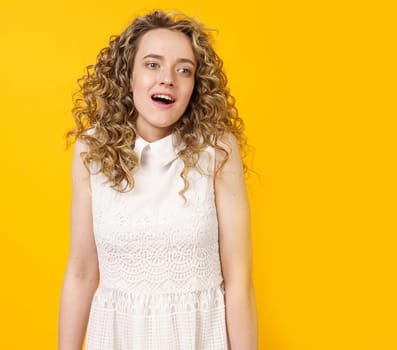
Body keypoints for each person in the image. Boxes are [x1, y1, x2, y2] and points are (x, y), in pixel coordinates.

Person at [58, 10, 258, 350]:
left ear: (195, 87)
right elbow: (81, 273)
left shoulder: (217, 150)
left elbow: (238, 281)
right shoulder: (91, 149)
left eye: (184, 70)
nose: (168, 79)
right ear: (127, 77)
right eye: (152, 64)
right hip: (117, 338)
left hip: (199, 338)